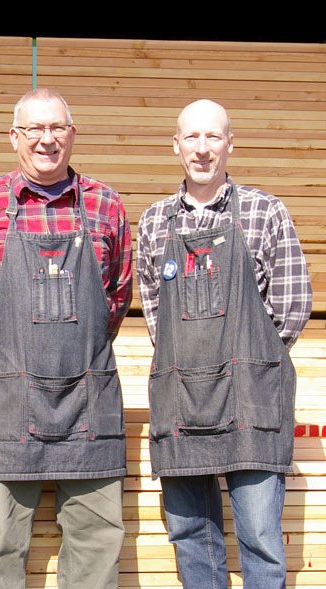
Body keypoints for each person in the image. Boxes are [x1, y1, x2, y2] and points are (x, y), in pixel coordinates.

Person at [0, 88, 133, 589]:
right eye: (34, 129)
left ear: (71, 135)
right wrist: (0, 354)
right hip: (8, 396)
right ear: (14, 138)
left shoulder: (106, 205)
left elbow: (116, 294)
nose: (47, 140)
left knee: (96, 542)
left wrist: (77, 347)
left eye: (57, 129)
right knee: (3, 544)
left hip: (88, 398)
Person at [136, 99, 313, 589]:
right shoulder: (154, 223)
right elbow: (156, 313)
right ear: (176, 146)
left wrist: (249, 363)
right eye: (192, 137)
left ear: (230, 144)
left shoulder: (264, 211)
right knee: (191, 534)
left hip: (251, 398)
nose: (202, 149)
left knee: (258, 535)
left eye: (213, 137)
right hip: (181, 400)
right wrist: (191, 355)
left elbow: (293, 304)